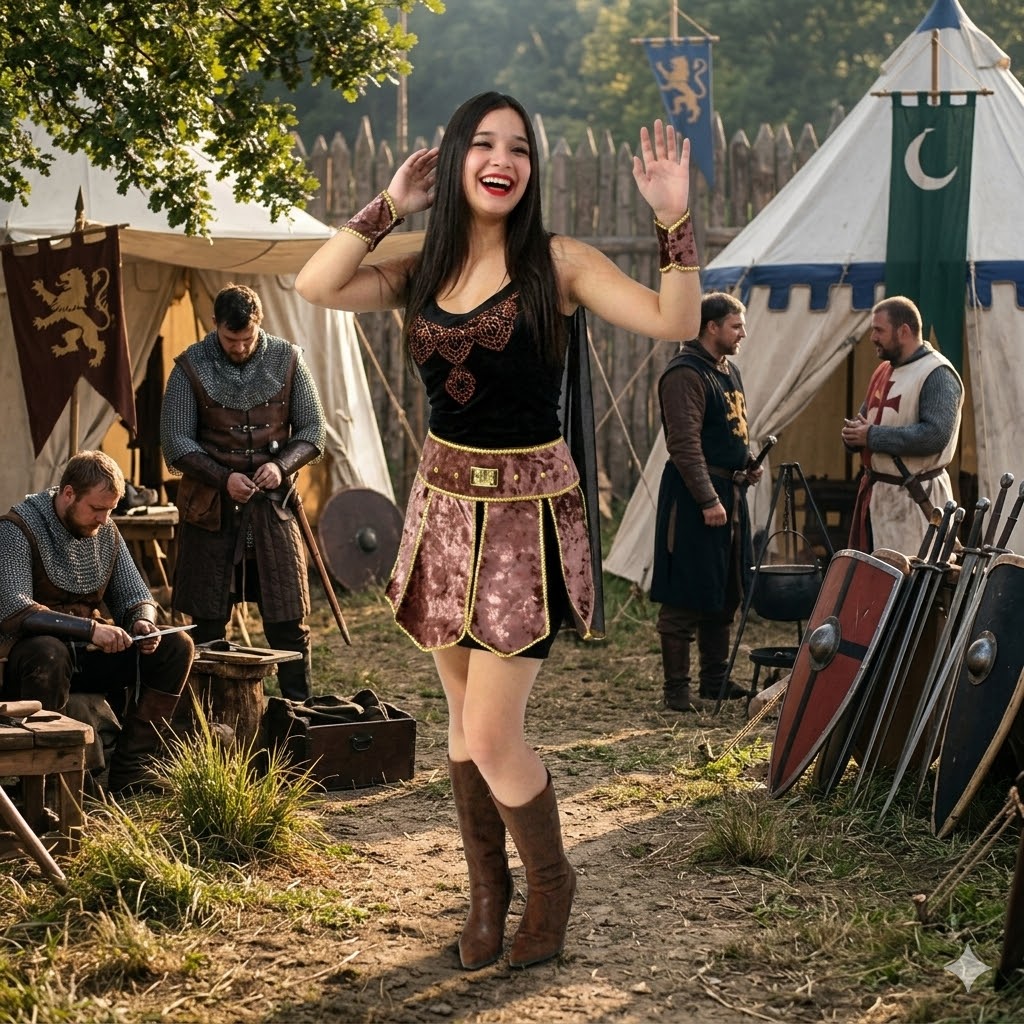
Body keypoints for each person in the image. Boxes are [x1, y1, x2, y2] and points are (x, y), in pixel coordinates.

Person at [294, 92, 701, 970]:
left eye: (519, 147)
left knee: (490, 733)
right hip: (443, 512)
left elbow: (676, 322)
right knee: (457, 724)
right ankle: (489, 896)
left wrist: (673, 220)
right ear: (455, 158)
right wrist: (389, 204)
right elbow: (315, 285)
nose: (502, 160)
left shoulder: (559, 263)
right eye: (483, 143)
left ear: (532, 168)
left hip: (526, 519)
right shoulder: (421, 265)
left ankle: (552, 884)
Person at [160, 284, 327, 700]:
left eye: (247, 338)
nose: (239, 347)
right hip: (212, 511)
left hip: (273, 509)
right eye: (230, 339)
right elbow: (176, 442)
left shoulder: (288, 360)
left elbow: (312, 430)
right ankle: (209, 719)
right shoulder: (191, 367)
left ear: (259, 324)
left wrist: (281, 466)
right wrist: (223, 478)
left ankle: (300, 716)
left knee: (288, 622)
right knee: (206, 626)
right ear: (214, 325)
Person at [0, 450, 194, 794]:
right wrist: (91, 630)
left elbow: (137, 595)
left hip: (87, 656)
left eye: (110, 510)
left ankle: (132, 767)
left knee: (176, 646)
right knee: (49, 652)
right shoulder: (16, 529)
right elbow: (16, 610)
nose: (104, 519)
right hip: (30, 662)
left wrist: (143, 621)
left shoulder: (106, 533)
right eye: (96, 509)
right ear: (68, 493)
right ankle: (49, 781)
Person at [649, 292, 762, 713]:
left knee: (724, 588)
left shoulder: (726, 370)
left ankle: (714, 681)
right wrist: (708, 498)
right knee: (685, 591)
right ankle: (677, 691)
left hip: (728, 493)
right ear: (711, 327)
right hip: (694, 497)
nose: (743, 333)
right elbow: (684, 444)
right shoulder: (685, 374)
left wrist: (746, 463)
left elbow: (728, 430)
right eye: (736, 326)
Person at [843, 296, 964, 555]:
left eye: (879, 330)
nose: (873, 337)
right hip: (878, 499)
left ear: (904, 331)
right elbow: (866, 421)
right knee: (877, 576)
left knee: (914, 576)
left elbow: (934, 436)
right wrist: (853, 435)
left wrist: (871, 436)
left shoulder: (936, 373)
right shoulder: (883, 371)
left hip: (916, 500)